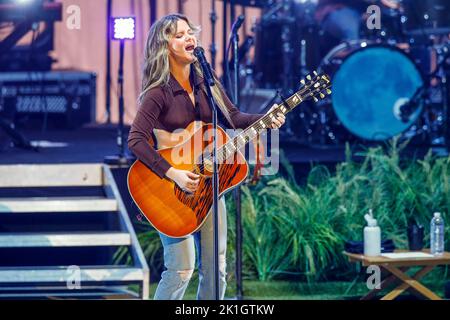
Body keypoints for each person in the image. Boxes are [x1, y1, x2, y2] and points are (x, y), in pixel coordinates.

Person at [127, 14, 285, 300]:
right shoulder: (157, 93)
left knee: (216, 266)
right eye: (179, 35)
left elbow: (234, 117)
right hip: (170, 189)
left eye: (190, 32)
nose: (189, 38)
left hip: (209, 188)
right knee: (180, 269)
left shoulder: (206, 84)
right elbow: (135, 141)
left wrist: (267, 118)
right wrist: (172, 172)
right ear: (164, 47)